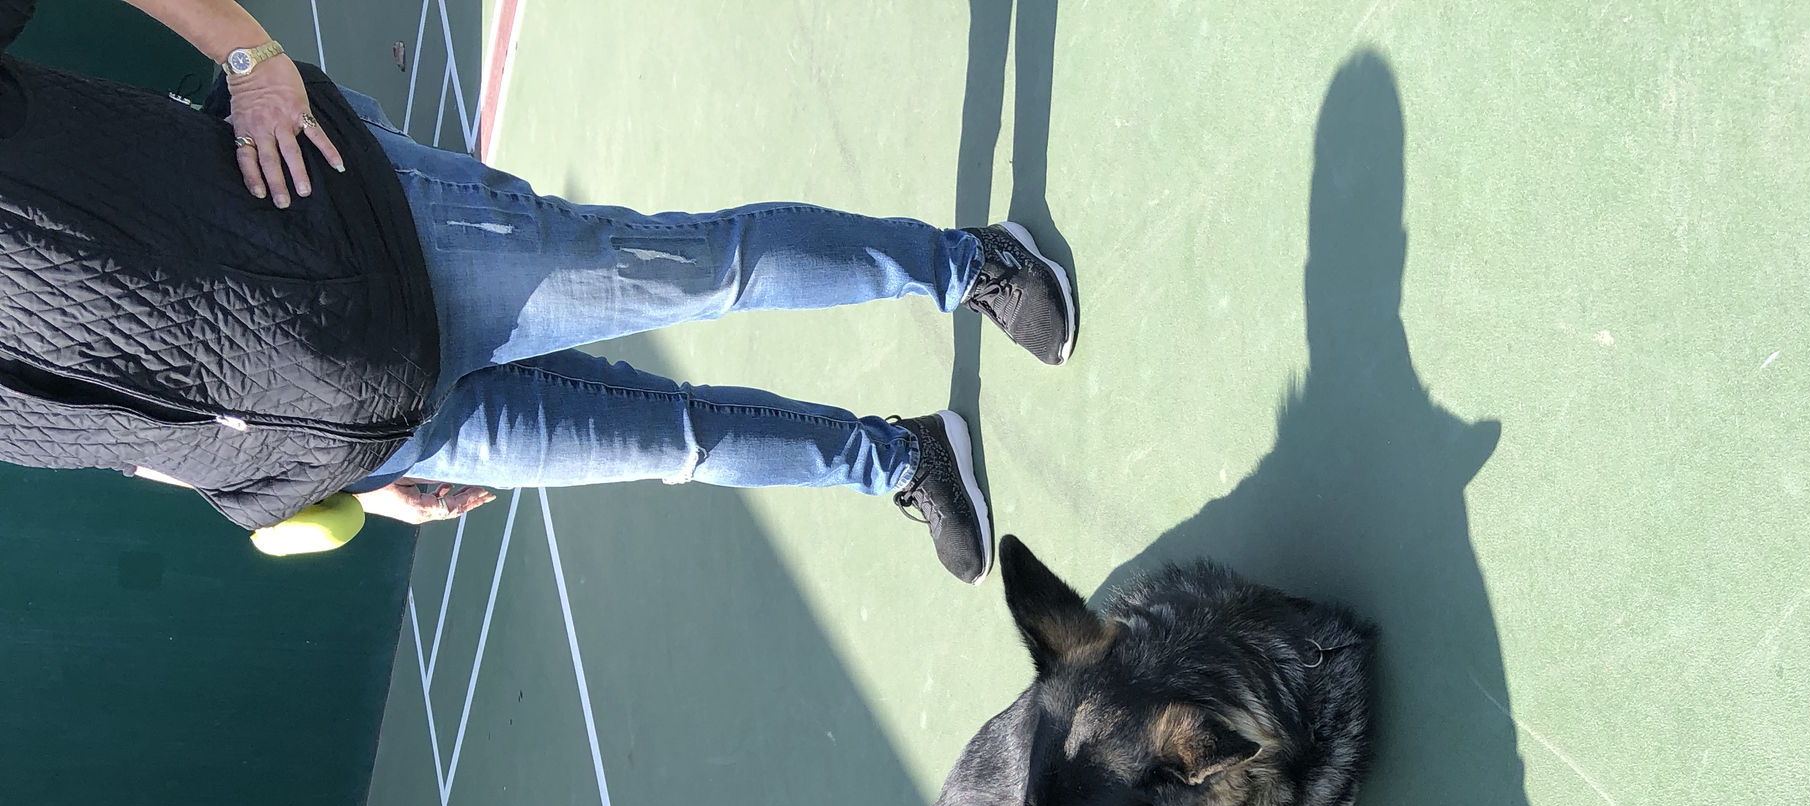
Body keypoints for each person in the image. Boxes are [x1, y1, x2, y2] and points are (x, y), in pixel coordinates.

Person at [0, 0, 1062, 582]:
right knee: (675, 444)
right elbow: (113, 435)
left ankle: (974, 265)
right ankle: (901, 459)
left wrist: (253, 60)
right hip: (370, 434)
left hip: (359, 237)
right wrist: (328, 482)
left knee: (706, 271)